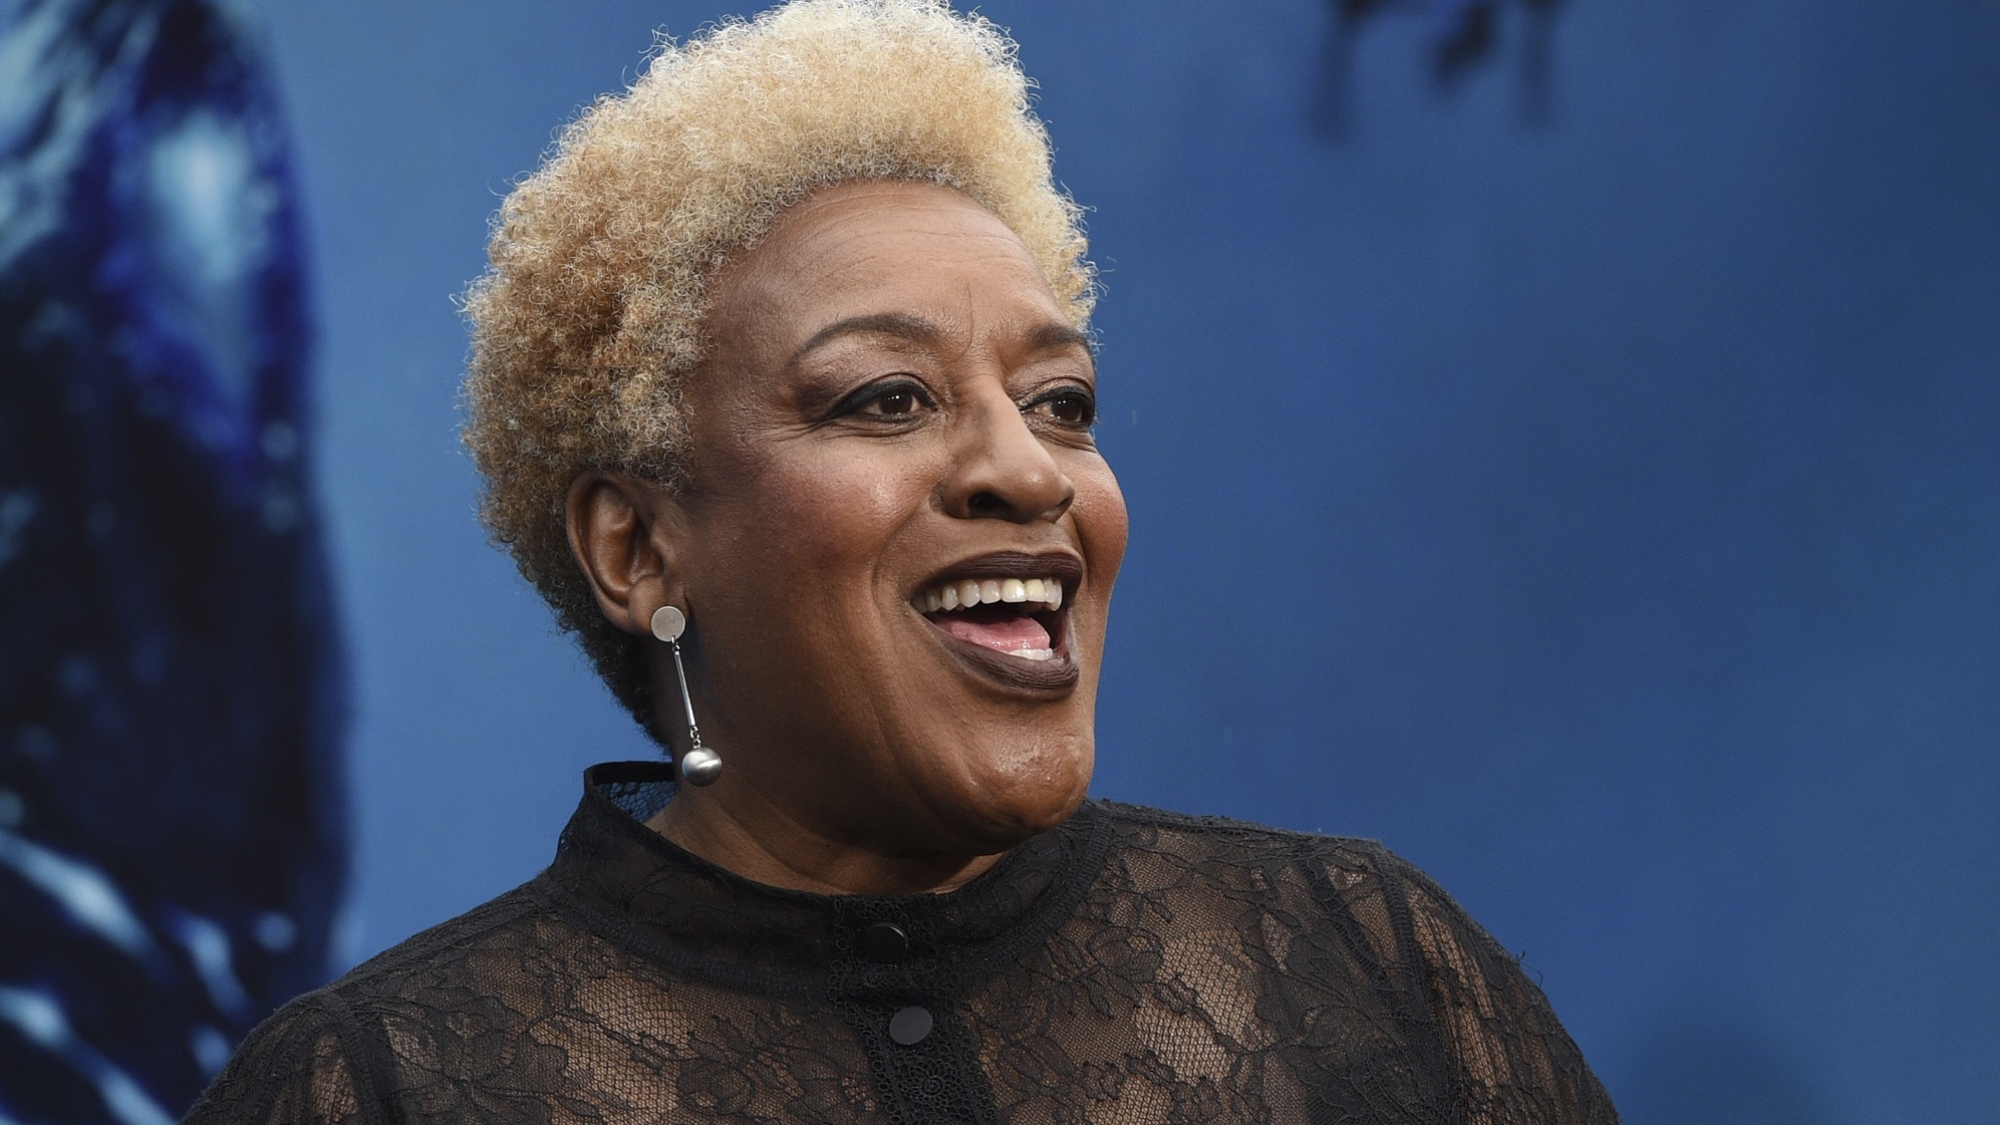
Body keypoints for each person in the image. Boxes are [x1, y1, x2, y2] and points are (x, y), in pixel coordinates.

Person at [184, 1, 1619, 1121]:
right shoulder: (378, 1090)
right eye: (887, 398)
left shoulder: (1372, 970)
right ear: (637, 546)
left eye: (1062, 402)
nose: (1027, 468)